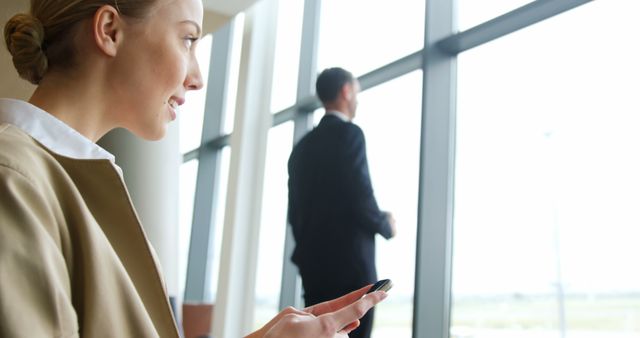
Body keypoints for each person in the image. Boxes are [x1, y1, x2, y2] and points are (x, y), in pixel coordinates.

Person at [0, 1, 387, 337]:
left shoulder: (68, 182)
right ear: (109, 31)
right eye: (188, 39)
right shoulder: (14, 182)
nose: (198, 77)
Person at [287, 67, 397, 338]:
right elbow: (360, 196)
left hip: (314, 269)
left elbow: (295, 214)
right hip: (350, 268)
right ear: (346, 91)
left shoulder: (301, 149)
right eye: (356, 92)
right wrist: (386, 224)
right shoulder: (350, 134)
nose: (357, 100)